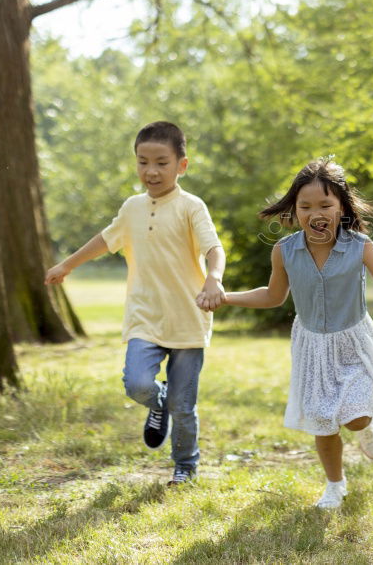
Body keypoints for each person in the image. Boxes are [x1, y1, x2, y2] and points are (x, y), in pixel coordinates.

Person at [45, 121, 226, 486]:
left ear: (182, 165)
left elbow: (213, 248)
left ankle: (185, 466)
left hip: (188, 318)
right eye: (143, 162)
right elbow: (105, 240)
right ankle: (157, 403)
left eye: (161, 162)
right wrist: (67, 264)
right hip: (145, 316)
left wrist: (214, 278)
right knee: (138, 384)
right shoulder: (132, 208)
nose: (151, 171)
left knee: (184, 406)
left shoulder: (191, 206)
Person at [219, 158, 373, 510]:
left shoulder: (360, 246)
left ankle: (368, 425)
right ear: (295, 210)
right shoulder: (285, 251)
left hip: (353, 342)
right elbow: (274, 296)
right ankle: (335, 485)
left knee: (355, 415)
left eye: (325, 205)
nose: (315, 212)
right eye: (305, 206)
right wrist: (227, 297)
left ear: (341, 208)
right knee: (322, 421)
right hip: (312, 347)